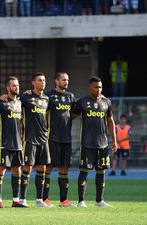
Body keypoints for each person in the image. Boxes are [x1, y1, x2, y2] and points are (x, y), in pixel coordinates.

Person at [72, 76, 117, 208]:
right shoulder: (82, 102)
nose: (99, 89)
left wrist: (114, 141)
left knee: (101, 172)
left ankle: (99, 201)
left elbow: (110, 121)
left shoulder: (106, 102)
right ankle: (81, 201)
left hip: (103, 143)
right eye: (96, 87)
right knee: (84, 171)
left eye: (100, 87)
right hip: (87, 143)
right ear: (90, 87)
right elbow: (69, 115)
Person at [43, 72, 76, 207]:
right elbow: (42, 113)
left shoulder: (70, 97)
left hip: (66, 138)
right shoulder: (49, 96)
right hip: (52, 138)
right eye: (63, 80)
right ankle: (44, 199)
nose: (66, 82)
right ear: (56, 81)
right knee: (48, 168)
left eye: (67, 80)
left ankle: (63, 200)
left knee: (64, 169)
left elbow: (73, 113)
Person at [0, 76, 24, 208]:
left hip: (18, 144)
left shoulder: (20, 103)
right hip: (3, 143)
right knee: (1, 170)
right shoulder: (1, 103)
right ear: (7, 87)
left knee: (17, 171)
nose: (16, 87)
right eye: (13, 85)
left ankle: (15, 200)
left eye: (17, 85)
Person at [19, 72, 50, 208]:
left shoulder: (46, 99)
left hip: (43, 138)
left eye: (43, 80)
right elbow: (13, 103)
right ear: (33, 82)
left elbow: (47, 116)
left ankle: (39, 200)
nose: (42, 82)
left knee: (42, 168)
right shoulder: (25, 97)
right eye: (39, 80)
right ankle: (22, 199)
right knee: (27, 167)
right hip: (29, 137)